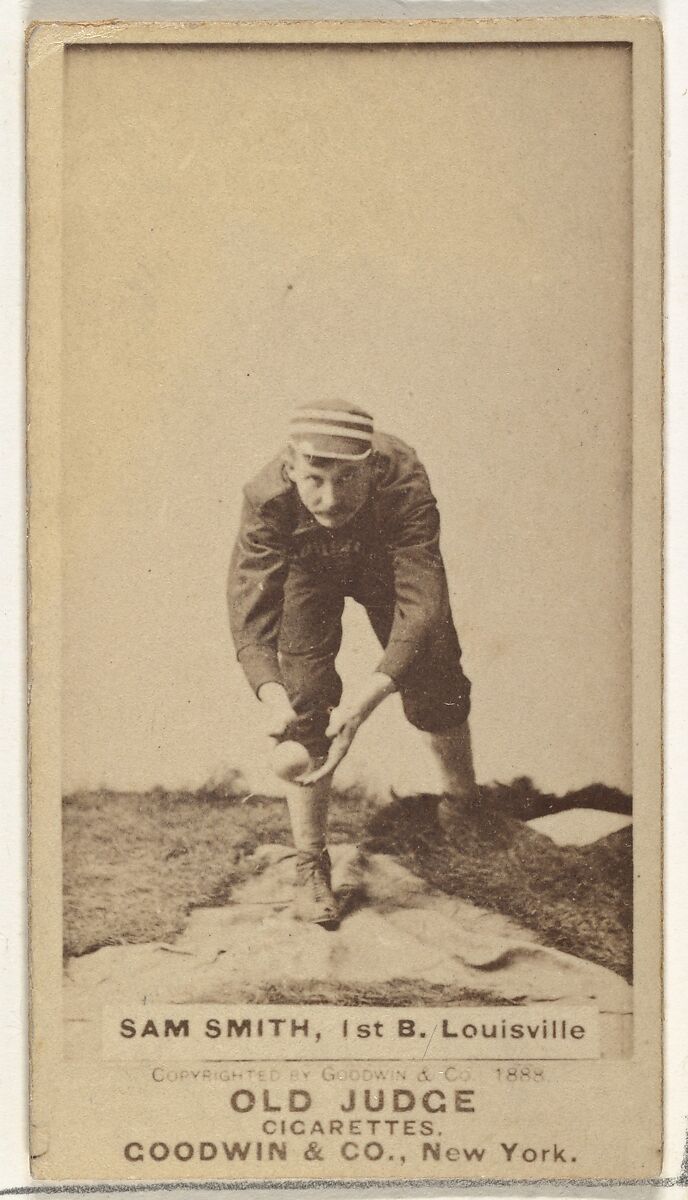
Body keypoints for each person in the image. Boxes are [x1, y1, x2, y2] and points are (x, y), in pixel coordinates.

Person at [228, 401, 476, 927]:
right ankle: (310, 861)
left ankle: (463, 806)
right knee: (303, 698)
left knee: (435, 678)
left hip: (385, 565)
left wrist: (367, 700)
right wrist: (273, 698)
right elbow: (252, 617)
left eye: (347, 479)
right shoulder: (266, 496)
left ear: (372, 468)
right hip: (307, 573)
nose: (331, 497)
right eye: (315, 478)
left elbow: (423, 604)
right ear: (292, 466)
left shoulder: (403, 478)